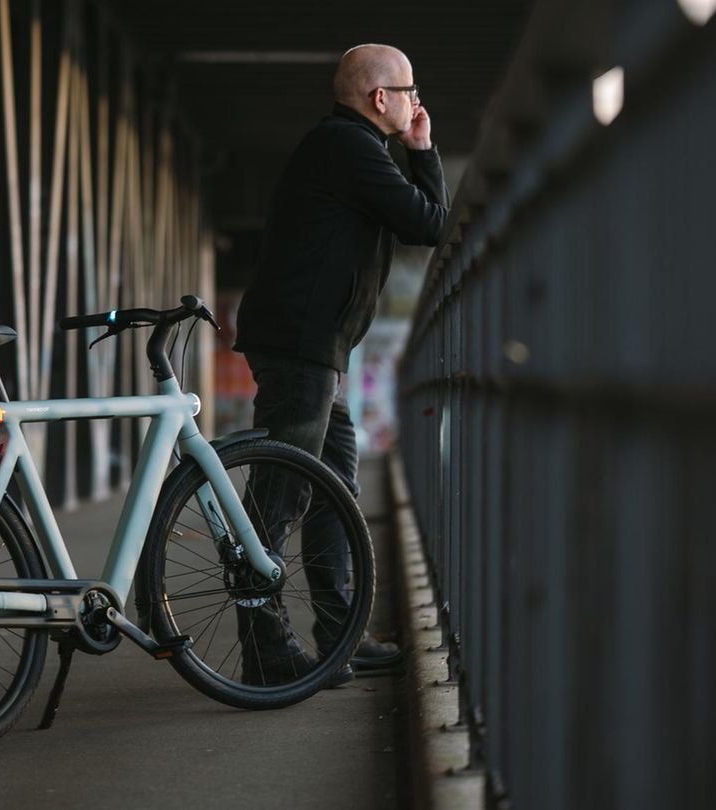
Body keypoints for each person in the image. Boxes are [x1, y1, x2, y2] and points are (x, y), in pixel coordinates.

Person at [232, 44, 449, 685]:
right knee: (283, 495)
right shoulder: (347, 148)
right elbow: (429, 224)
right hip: (302, 346)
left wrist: (416, 149)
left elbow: (421, 227)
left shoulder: (350, 148)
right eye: (411, 89)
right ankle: (268, 651)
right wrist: (423, 149)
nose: (417, 101)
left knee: (335, 490)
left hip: (315, 347)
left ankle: (339, 637)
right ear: (380, 98)